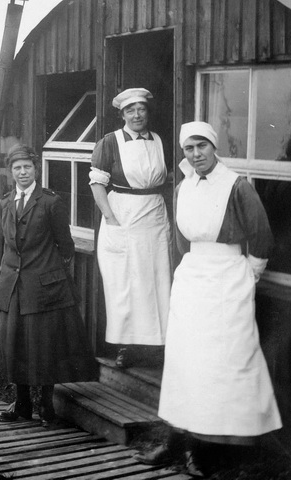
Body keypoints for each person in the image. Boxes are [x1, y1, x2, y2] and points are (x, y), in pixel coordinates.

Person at [133, 121, 282, 477]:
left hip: (229, 278)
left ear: (214, 148)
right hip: (192, 278)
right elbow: (181, 242)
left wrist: (248, 274)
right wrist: (190, 268)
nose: (196, 154)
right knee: (186, 361)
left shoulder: (236, 186)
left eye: (202, 147)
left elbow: (261, 237)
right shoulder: (183, 187)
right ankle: (177, 441)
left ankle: (210, 451)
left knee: (223, 362)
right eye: (189, 149)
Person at [0, 144, 97, 428]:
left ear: (35, 169)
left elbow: (66, 245)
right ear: (11, 172)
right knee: (15, 344)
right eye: (17, 168)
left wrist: (47, 272)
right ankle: (22, 403)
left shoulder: (51, 202)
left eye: (27, 167)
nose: (23, 172)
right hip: (12, 286)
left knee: (43, 346)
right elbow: (6, 243)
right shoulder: (5, 203)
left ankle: (46, 405)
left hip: (44, 287)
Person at [89, 88, 172, 368]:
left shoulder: (159, 140)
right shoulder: (110, 142)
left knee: (156, 279)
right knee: (125, 283)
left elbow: (169, 176)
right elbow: (97, 184)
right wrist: (110, 217)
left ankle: (157, 345)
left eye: (141, 109)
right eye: (130, 111)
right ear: (122, 114)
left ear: (147, 112)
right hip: (123, 214)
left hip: (154, 216)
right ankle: (126, 346)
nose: (137, 115)